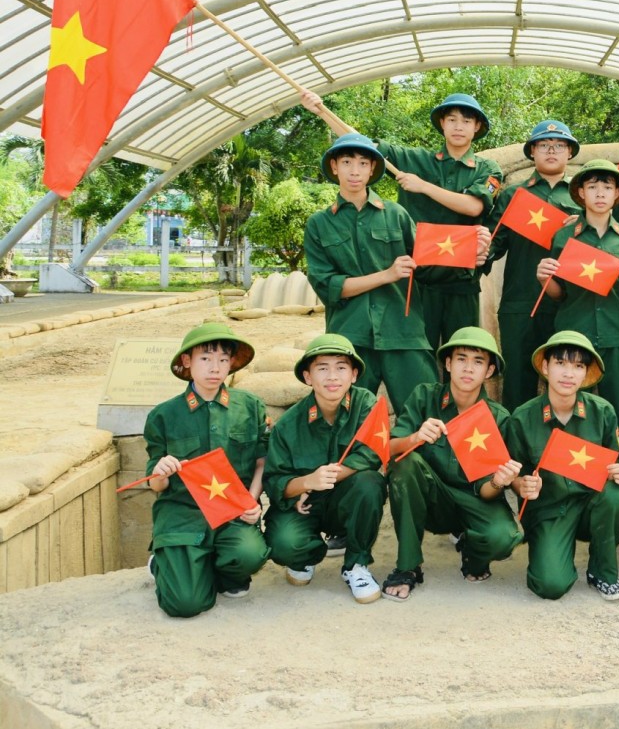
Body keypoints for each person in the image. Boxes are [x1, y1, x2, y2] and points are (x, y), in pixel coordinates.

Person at [300, 90, 499, 349]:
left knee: (463, 352)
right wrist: (322, 111)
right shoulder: (414, 159)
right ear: (442, 124)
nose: (458, 127)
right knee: (419, 354)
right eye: (451, 119)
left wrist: (422, 186)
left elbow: (473, 207)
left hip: (461, 281)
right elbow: (363, 145)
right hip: (416, 283)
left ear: (477, 127)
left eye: (466, 121)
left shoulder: (488, 169)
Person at [383, 327, 523, 601]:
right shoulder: (425, 397)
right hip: (432, 500)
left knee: (503, 538)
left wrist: (498, 481)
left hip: (474, 502)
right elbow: (388, 449)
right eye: (461, 359)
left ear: (489, 371)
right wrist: (414, 437)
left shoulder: (498, 418)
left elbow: (487, 490)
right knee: (405, 464)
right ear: (447, 364)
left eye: (478, 361)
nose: (468, 368)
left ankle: (472, 551)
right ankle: (408, 567)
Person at [303, 132, 440, 412]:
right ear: (334, 166)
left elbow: (428, 264)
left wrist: (473, 248)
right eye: (346, 162)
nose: (355, 171)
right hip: (350, 339)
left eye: (364, 163)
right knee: (347, 418)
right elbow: (329, 287)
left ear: (373, 168)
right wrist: (387, 275)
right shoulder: (318, 224)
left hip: (403, 332)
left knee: (424, 414)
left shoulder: (397, 214)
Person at [142, 323, 269, 617]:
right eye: (205, 359)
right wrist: (160, 471)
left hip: (231, 511)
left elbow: (262, 460)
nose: (216, 368)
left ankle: (224, 573)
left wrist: (251, 498)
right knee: (185, 605)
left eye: (223, 360)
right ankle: (164, 562)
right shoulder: (164, 415)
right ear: (187, 362)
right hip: (183, 513)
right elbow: (156, 486)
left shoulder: (250, 407)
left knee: (250, 555)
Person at [506, 331, 619, 601]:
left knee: (616, 496)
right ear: (545, 367)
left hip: (590, 505)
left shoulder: (603, 412)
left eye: (578, 366)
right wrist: (521, 484)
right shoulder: (522, 418)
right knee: (550, 585)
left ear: (585, 373)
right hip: (549, 510)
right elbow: (514, 475)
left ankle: (602, 572)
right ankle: (556, 554)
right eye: (561, 363)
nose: (568, 373)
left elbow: (613, 464)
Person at [264, 334, 390, 604]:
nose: (332, 376)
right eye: (322, 368)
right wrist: (306, 482)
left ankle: (356, 565)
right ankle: (307, 554)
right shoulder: (288, 425)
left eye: (341, 367)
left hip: (345, 499)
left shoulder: (366, 404)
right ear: (308, 377)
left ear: (354, 375)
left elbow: (371, 452)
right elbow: (274, 480)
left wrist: (327, 479)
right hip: (304, 505)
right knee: (285, 543)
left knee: (370, 484)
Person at [537, 158, 619, 417]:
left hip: (616, 332)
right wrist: (544, 280)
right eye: (593, 187)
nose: (600, 193)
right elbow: (559, 294)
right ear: (581, 193)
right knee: (570, 408)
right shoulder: (564, 236)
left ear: (617, 194)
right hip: (573, 332)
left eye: (607, 187)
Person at [488, 120, 581, 410]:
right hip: (521, 301)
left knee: (568, 379)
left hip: (570, 303)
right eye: (543, 145)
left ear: (569, 152)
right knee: (518, 380)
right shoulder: (513, 195)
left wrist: (582, 228)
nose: (551, 151)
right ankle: (517, 450)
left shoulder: (583, 195)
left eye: (559, 145)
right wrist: (479, 249)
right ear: (532, 152)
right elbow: (494, 244)